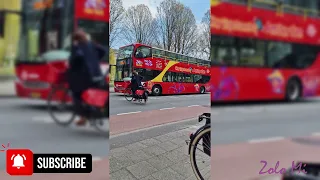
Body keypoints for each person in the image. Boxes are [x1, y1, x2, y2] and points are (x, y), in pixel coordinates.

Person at [67, 29, 107, 126]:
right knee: (93, 93)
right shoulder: (92, 44)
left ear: (75, 39)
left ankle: (83, 116)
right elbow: (103, 51)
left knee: (76, 94)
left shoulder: (77, 46)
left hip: (86, 76)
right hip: (97, 74)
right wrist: (96, 59)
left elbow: (74, 61)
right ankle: (92, 111)